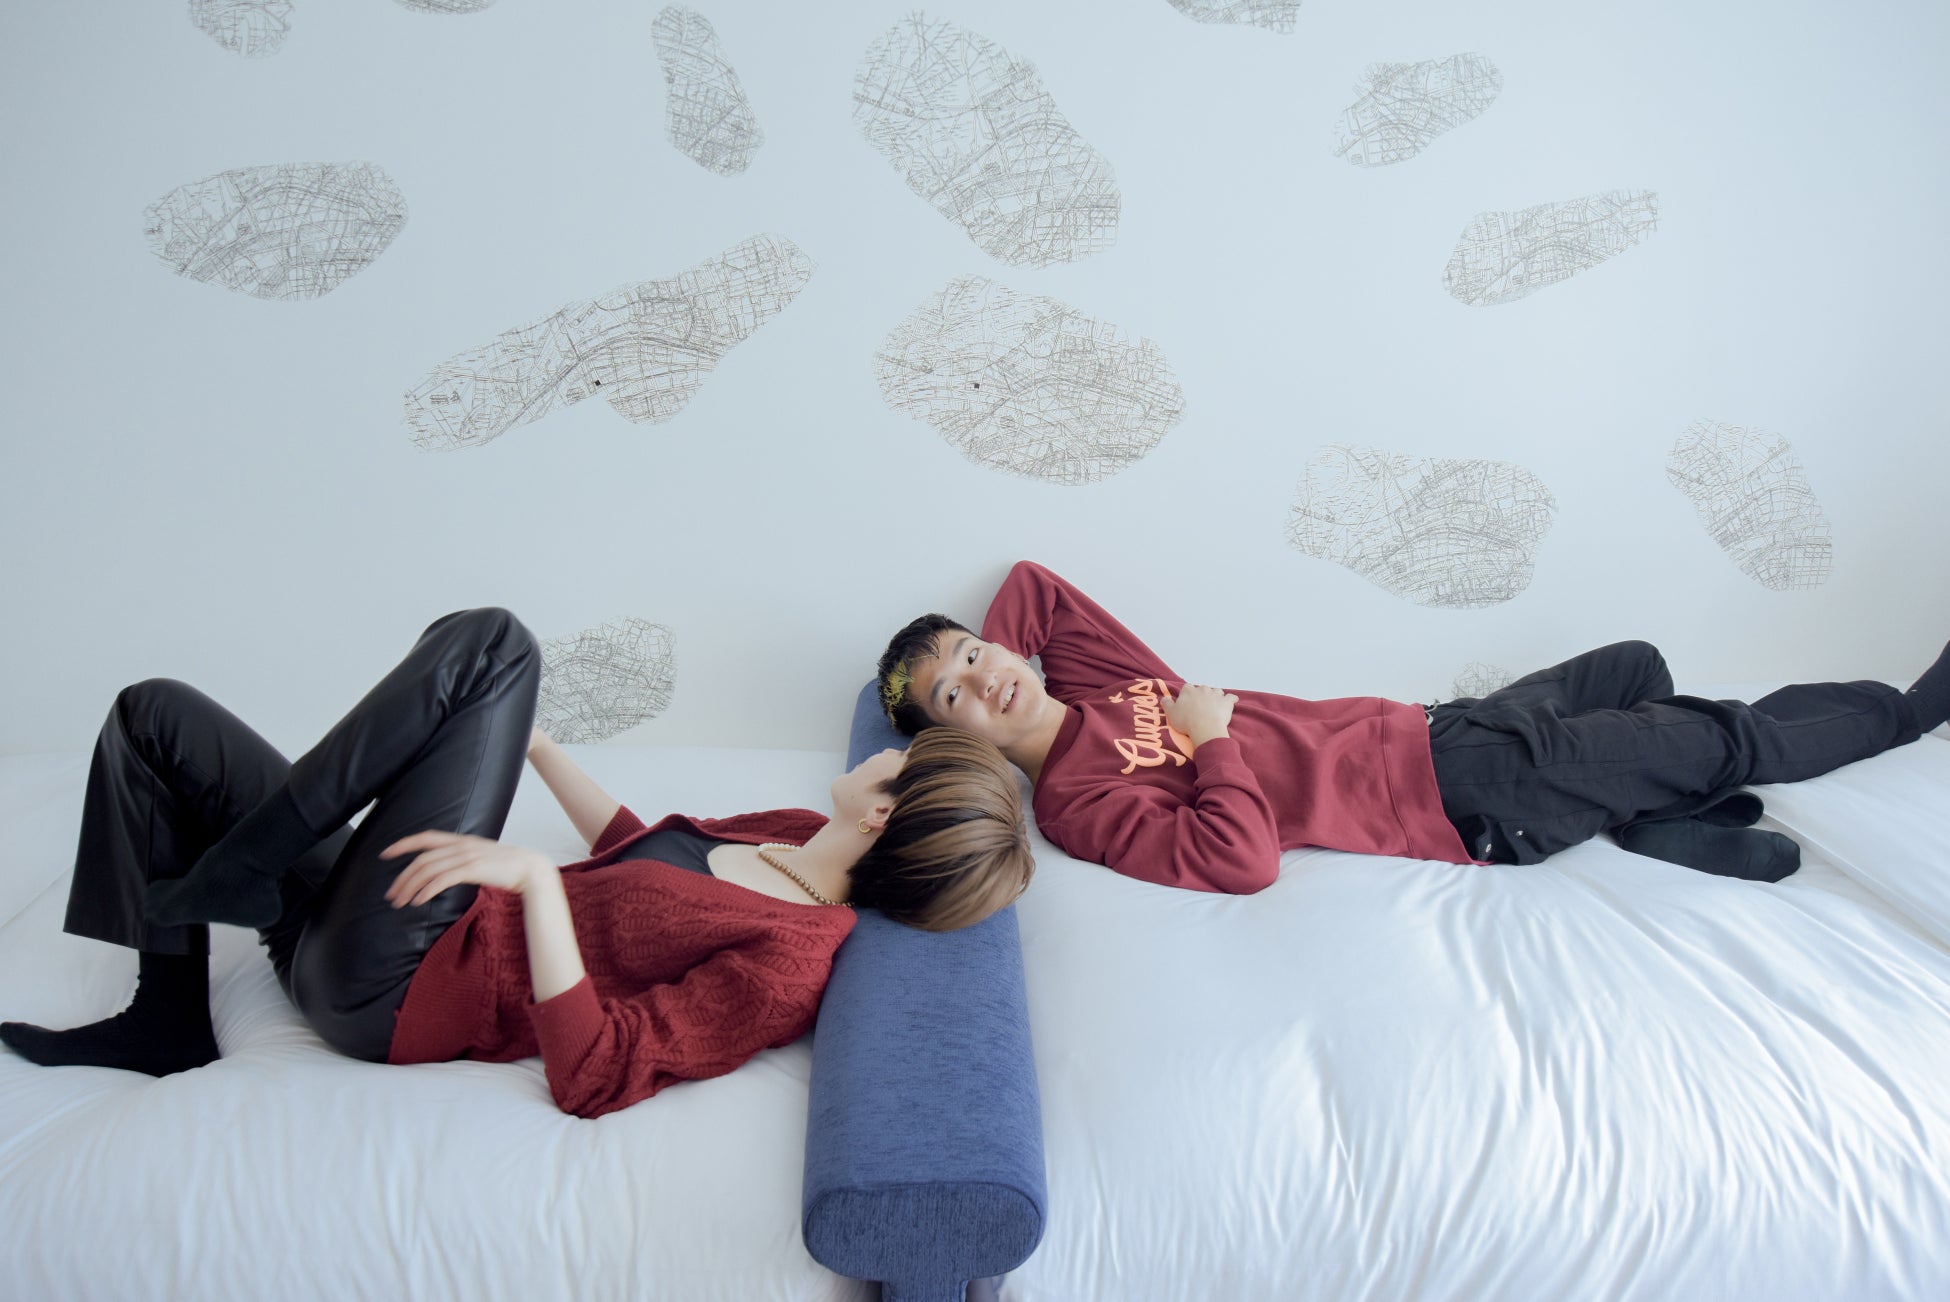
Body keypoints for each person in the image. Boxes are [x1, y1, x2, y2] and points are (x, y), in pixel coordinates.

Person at [1, 608, 1033, 1117]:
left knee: (496, 644)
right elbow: (641, 855)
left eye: (903, 757)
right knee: (153, 718)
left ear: (886, 813)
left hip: (396, 986)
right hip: (390, 911)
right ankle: (168, 1013)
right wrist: (531, 746)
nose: (885, 749)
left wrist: (535, 882)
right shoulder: (792, 829)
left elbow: (595, 1074)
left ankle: (251, 864)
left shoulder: (789, 964)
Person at [875, 560, 1950, 893]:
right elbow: (1238, 861)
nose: (981, 676)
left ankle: (1643, 818)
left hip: (1439, 729)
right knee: (1724, 733)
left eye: (973, 652)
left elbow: (1037, 587)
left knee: (1634, 666)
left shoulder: (1103, 688)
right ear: (952, 741)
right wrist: (1209, 743)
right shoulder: (1075, 800)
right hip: (1464, 795)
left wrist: (986, 665)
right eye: (953, 694)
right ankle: (1910, 713)